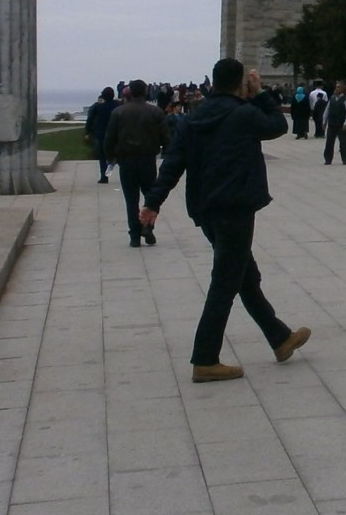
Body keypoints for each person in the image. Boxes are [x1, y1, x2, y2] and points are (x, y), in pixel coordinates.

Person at [139, 58, 310, 382]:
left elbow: (173, 163)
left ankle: (280, 338)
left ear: (214, 82)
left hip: (207, 210)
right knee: (225, 282)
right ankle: (205, 359)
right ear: (239, 83)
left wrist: (152, 202)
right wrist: (261, 94)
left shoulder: (193, 117)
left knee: (245, 275)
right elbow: (278, 125)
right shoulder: (244, 114)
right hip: (236, 207)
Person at [104, 79, 170, 246]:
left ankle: (134, 235)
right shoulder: (155, 112)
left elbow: (109, 138)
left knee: (131, 199)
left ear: (130, 92)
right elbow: (166, 138)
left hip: (126, 160)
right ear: (146, 91)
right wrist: (167, 155)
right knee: (151, 197)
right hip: (148, 160)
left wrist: (110, 157)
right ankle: (148, 227)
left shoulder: (119, 112)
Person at [86, 87, 117, 183]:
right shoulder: (118, 105)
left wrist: (87, 131)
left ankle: (104, 176)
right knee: (118, 155)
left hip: (101, 134)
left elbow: (90, 119)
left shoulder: (98, 107)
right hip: (116, 134)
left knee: (102, 156)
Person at [322, 83, 346, 165]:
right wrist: (324, 122)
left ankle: (345, 159)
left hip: (341, 125)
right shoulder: (332, 99)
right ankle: (328, 159)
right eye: (336, 87)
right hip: (331, 124)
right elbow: (327, 111)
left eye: (338, 87)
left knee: (343, 143)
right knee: (329, 143)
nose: (336, 89)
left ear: (342, 89)